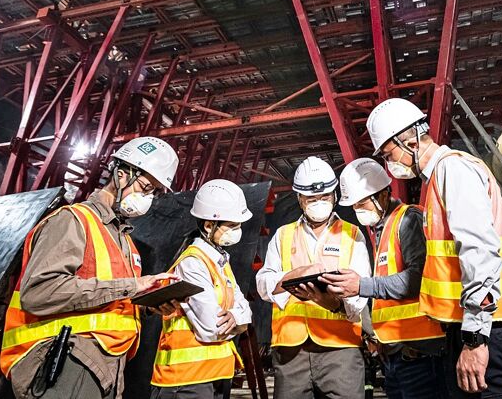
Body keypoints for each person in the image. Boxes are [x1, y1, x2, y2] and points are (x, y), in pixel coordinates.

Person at [366, 98, 502, 399]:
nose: (388, 162)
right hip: (475, 330)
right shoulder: (435, 181)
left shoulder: (453, 170)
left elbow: (479, 252)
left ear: (406, 139)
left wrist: (474, 339)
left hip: (491, 332)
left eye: (387, 152)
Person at [0, 136, 181, 399]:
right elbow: (39, 292)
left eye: (153, 192)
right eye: (144, 187)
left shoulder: (125, 242)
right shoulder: (72, 221)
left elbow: (109, 299)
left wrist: (148, 304)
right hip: (66, 361)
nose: (147, 198)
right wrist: (132, 286)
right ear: (121, 175)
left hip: (106, 367)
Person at [322, 158, 446, 399]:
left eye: (361, 204)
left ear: (381, 196)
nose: (358, 211)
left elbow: (419, 279)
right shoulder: (382, 229)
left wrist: (361, 286)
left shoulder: (408, 220)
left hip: (421, 352)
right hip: (396, 354)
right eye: (354, 205)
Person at [256, 156, 370, 399]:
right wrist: (291, 276)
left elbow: (361, 289)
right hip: (291, 350)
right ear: (299, 198)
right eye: (311, 198)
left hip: (340, 348)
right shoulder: (282, 235)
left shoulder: (353, 235)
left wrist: (337, 305)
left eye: (325, 196)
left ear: (335, 196)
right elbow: (263, 283)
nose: (319, 202)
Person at [151, 179, 253, 399]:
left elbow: (245, 309)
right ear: (209, 225)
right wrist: (239, 320)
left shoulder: (219, 262)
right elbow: (211, 328)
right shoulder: (193, 263)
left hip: (211, 375)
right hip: (184, 381)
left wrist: (236, 317)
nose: (238, 231)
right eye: (232, 225)